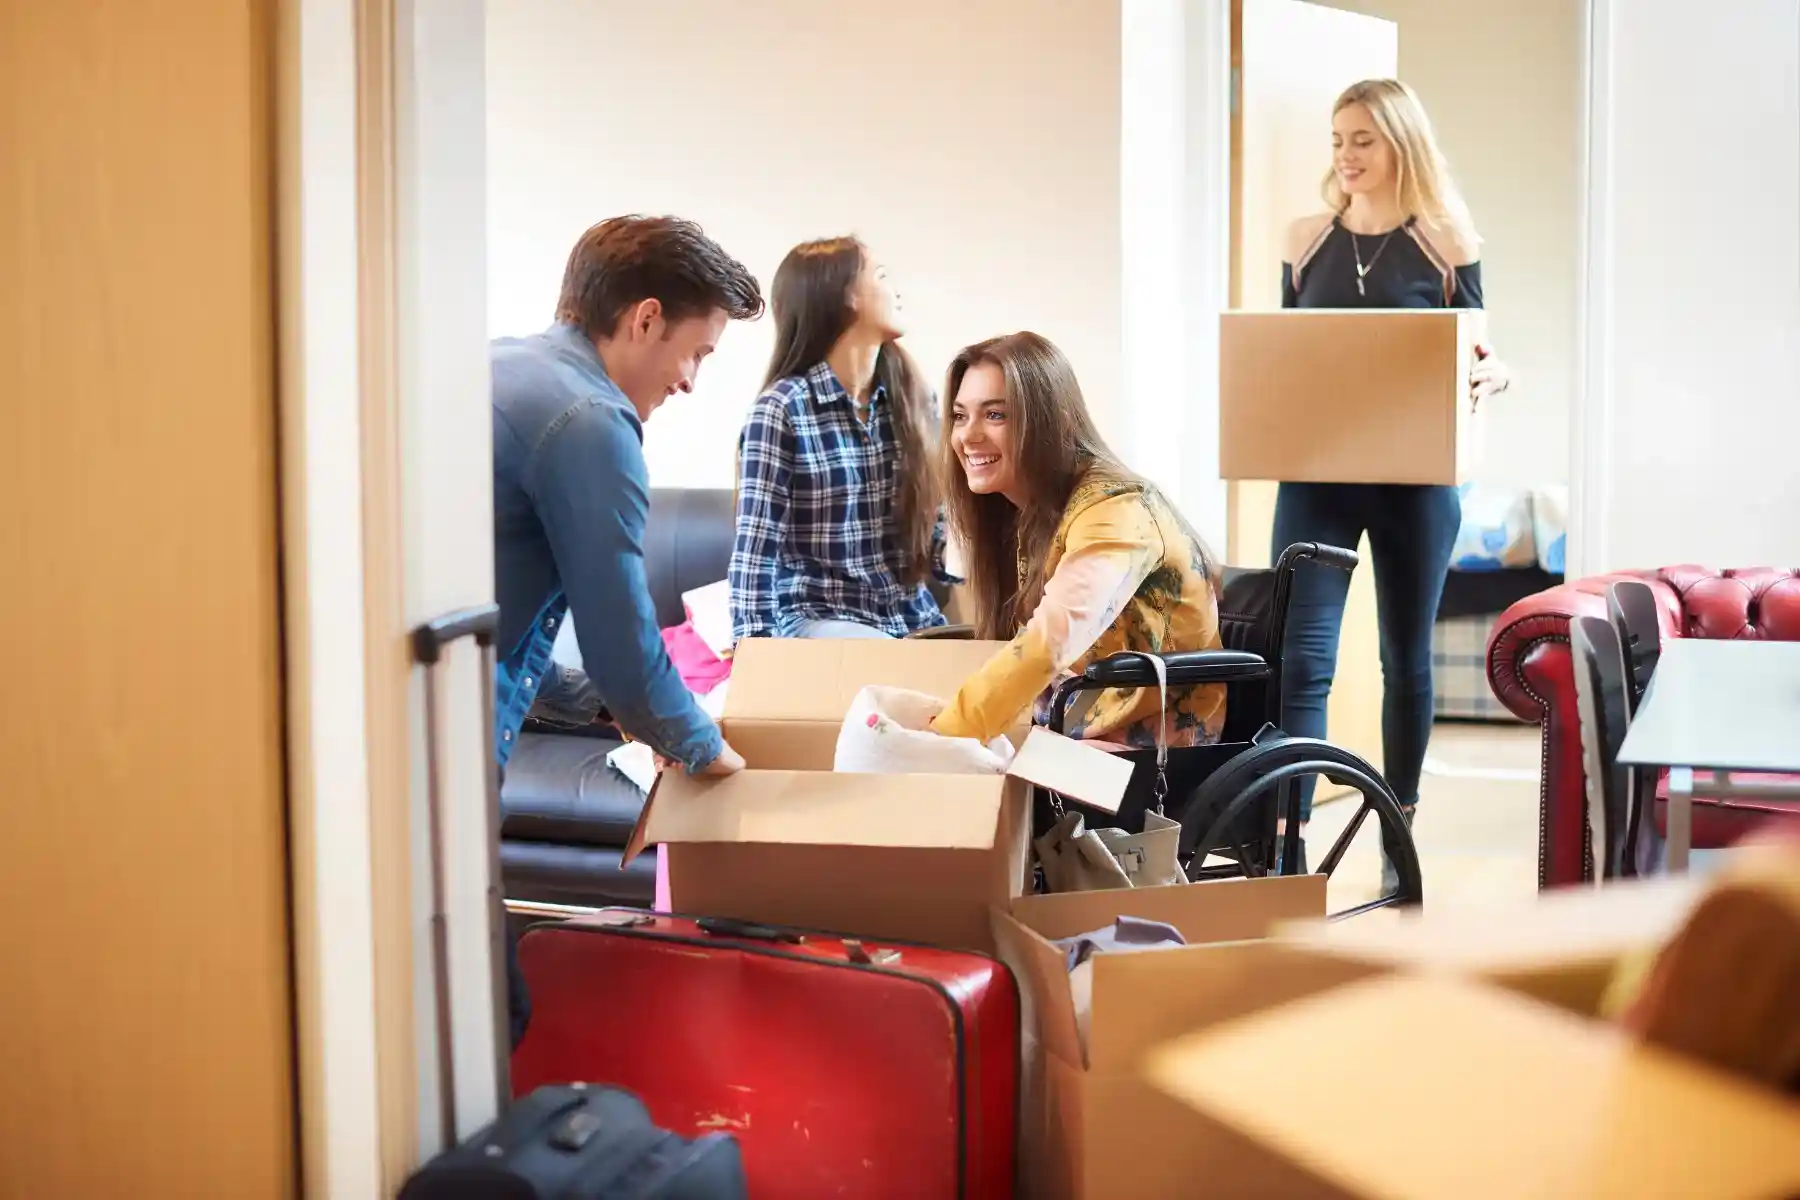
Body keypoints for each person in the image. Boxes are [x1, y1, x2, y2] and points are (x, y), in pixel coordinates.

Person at [489, 214, 763, 1043]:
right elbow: (624, 649)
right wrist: (707, 750)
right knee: (494, 1009)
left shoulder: (505, 365)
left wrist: (599, 707)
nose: (689, 381)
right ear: (644, 318)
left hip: (398, 718)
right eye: (697, 353)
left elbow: (509, 614)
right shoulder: (591, 422)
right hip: (437, 743)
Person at [1274, 79, 1511, 879]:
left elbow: (1479, 349)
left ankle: (1397, 831)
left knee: (1404, 658)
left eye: (1363, 140)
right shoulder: (1306, 239)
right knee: (1301, 659)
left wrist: (1495, 372)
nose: (1345, 155)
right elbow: (1287, 361)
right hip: (1317, 477)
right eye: (1338, 139)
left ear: (1400, 142)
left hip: (1415, 483)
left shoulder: (1446, 241)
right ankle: (1291, 836)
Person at [927, 331, 1226, 750]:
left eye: (995, 415)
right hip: (1075, 728)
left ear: (1053, 421)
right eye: (960, 416)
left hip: (1152, 751)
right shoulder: (1033, 512)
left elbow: (1048, 643)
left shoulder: (1116, 511)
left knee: (949, 772)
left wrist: (940, 736)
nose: (967, 436)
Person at [728, 237, 953, 642]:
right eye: (881, 276)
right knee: (897, 667)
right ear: (845, 296)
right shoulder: (782, 409)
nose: (897, 291)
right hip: (817, 619)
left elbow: (937, 548)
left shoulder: (918, 402)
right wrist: (755, 660)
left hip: (911, 622)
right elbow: (754, 556)